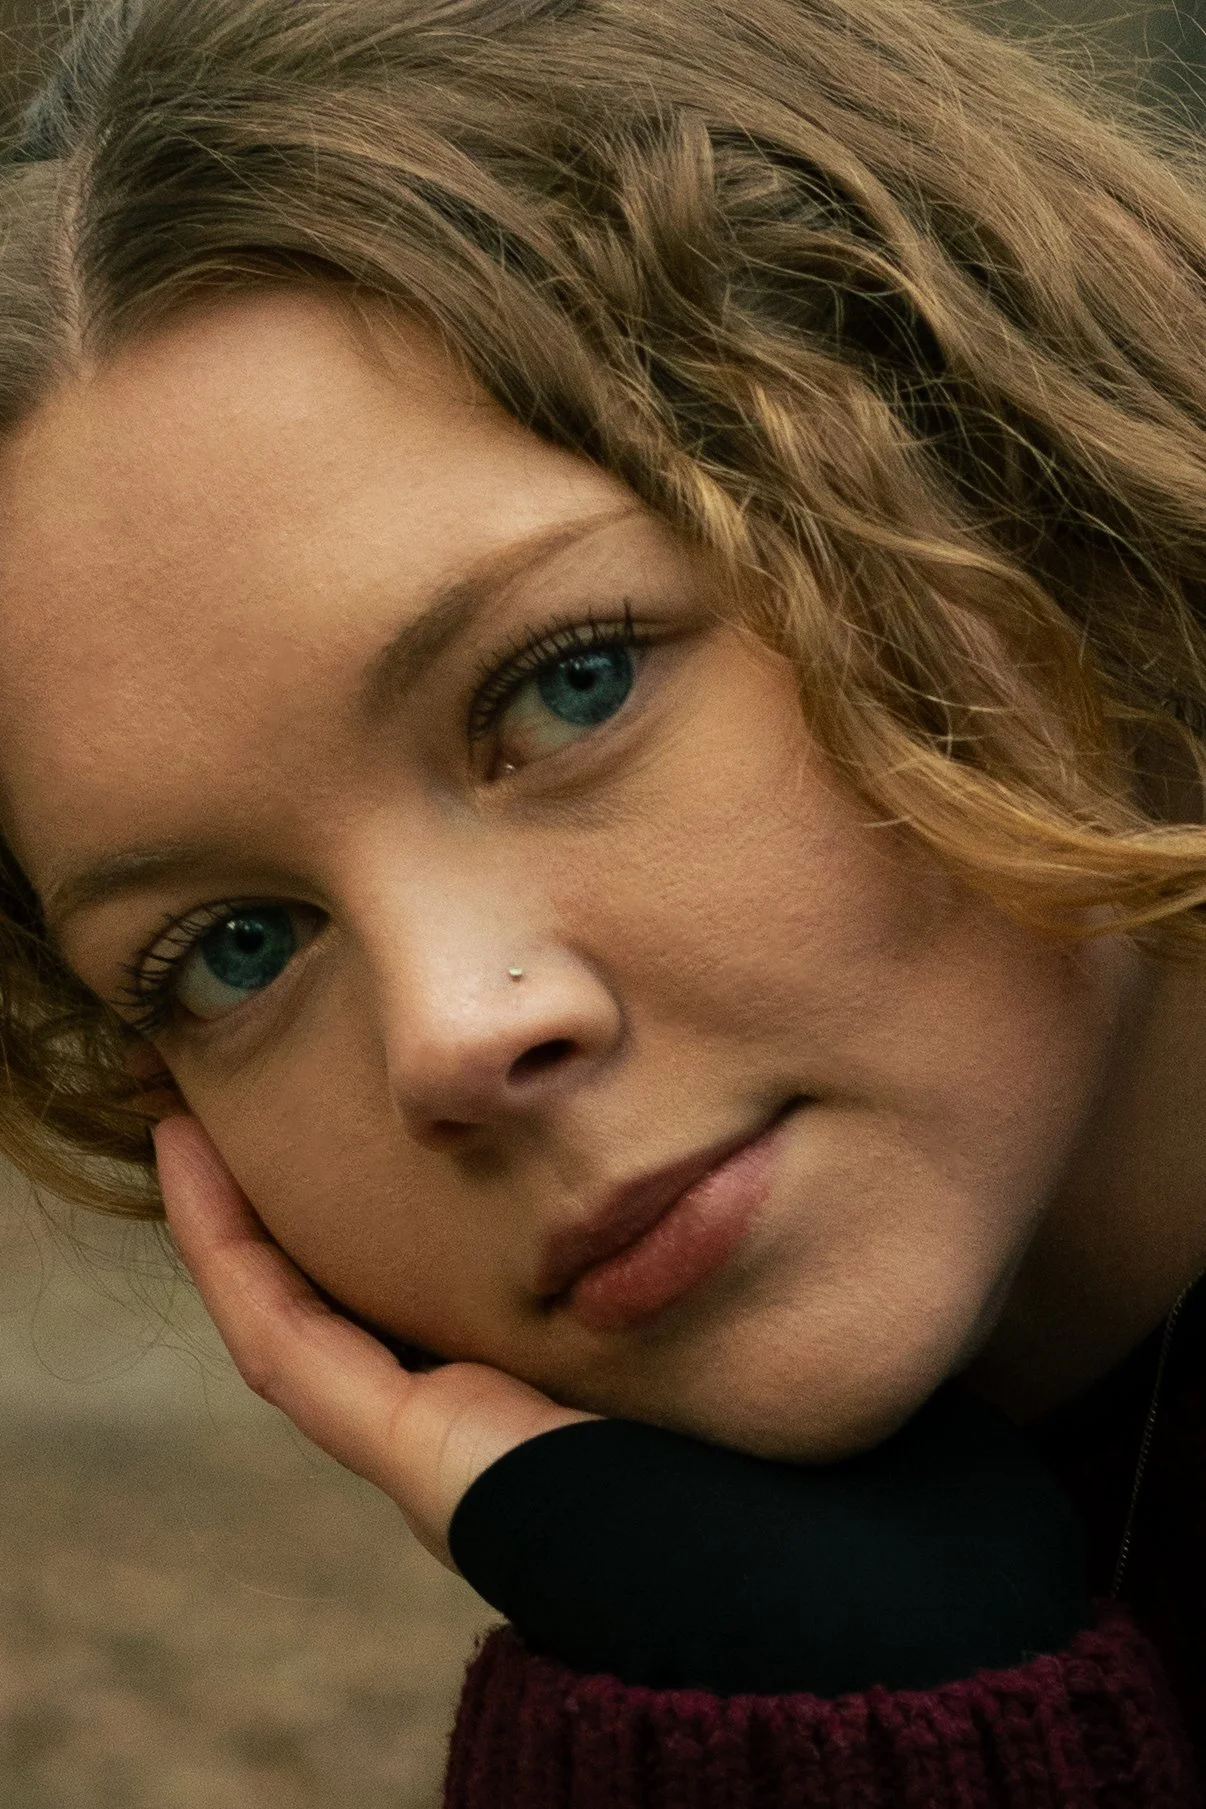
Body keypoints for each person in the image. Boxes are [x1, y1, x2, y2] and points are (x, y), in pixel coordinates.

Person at [1, 0, 1205, 1798]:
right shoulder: (692, 1654)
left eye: (566, 686)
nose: (452, 1037)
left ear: (1018, 480)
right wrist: (803, 1714)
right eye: (230, 950)